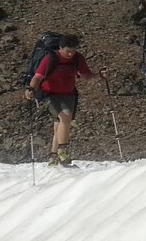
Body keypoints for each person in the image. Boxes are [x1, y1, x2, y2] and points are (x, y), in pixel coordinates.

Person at [24, 34, 107, 166]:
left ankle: (53, 157)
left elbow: (86, 75)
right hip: (49, 95)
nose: (70, 54)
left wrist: (99, 76)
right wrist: (30, 89)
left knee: (60, 124)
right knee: (65, 116)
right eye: (68, 51)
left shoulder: (77, 58)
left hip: (69, 95)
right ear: (60, 48)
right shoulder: (50, 58)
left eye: (73, 51)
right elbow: (37, 78)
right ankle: (63, 151)